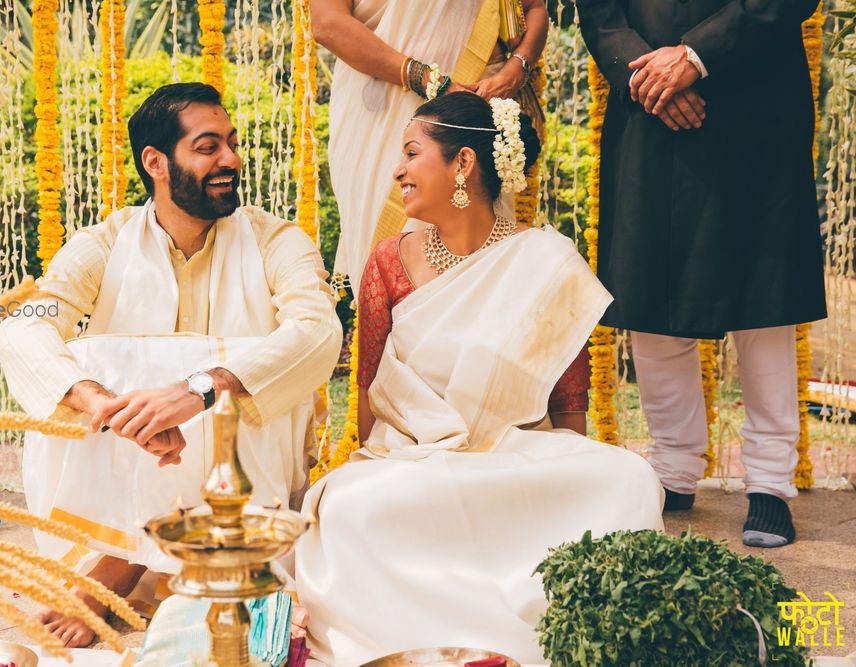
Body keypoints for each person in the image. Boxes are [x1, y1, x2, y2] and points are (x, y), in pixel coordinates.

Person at [294, 92, 664, 665]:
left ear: (462, 163)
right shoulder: (388, 262)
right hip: (414, 458)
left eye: (412, 154)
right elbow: (371, 389)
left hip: (514, 457)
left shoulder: (547, 260)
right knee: (348, 508)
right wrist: (370, 464)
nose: (398, 170)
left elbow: (568, 406)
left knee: (628, 479)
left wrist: (569, 472)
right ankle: (434, 630)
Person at [0, 82, 342, 647]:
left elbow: (318, 332)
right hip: (132, 440)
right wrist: (102, 404)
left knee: (236, 364)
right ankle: (138, 555)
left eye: (231, 143)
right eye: (208, 147)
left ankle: (121, 564)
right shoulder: (104, 242)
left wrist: (201, 388)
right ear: (155, 162)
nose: (230, 158)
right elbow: (24, 324)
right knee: (82, 362)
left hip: (241, 462)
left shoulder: (278, 240)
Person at [576, 0, 826, 547]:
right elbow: (599, 13)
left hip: (754, 97)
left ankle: (768, 483)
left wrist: (695, 56)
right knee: (654, 291)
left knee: (763, 298)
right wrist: (649, 75)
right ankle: (673, 470)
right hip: (647, 103)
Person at [311, 0, 550, 297]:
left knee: (480, 261)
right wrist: (425, 79)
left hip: (476, 109)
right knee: (392, 261)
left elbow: (534, 8)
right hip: (382, 113)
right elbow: (327, 24)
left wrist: (517, 67)